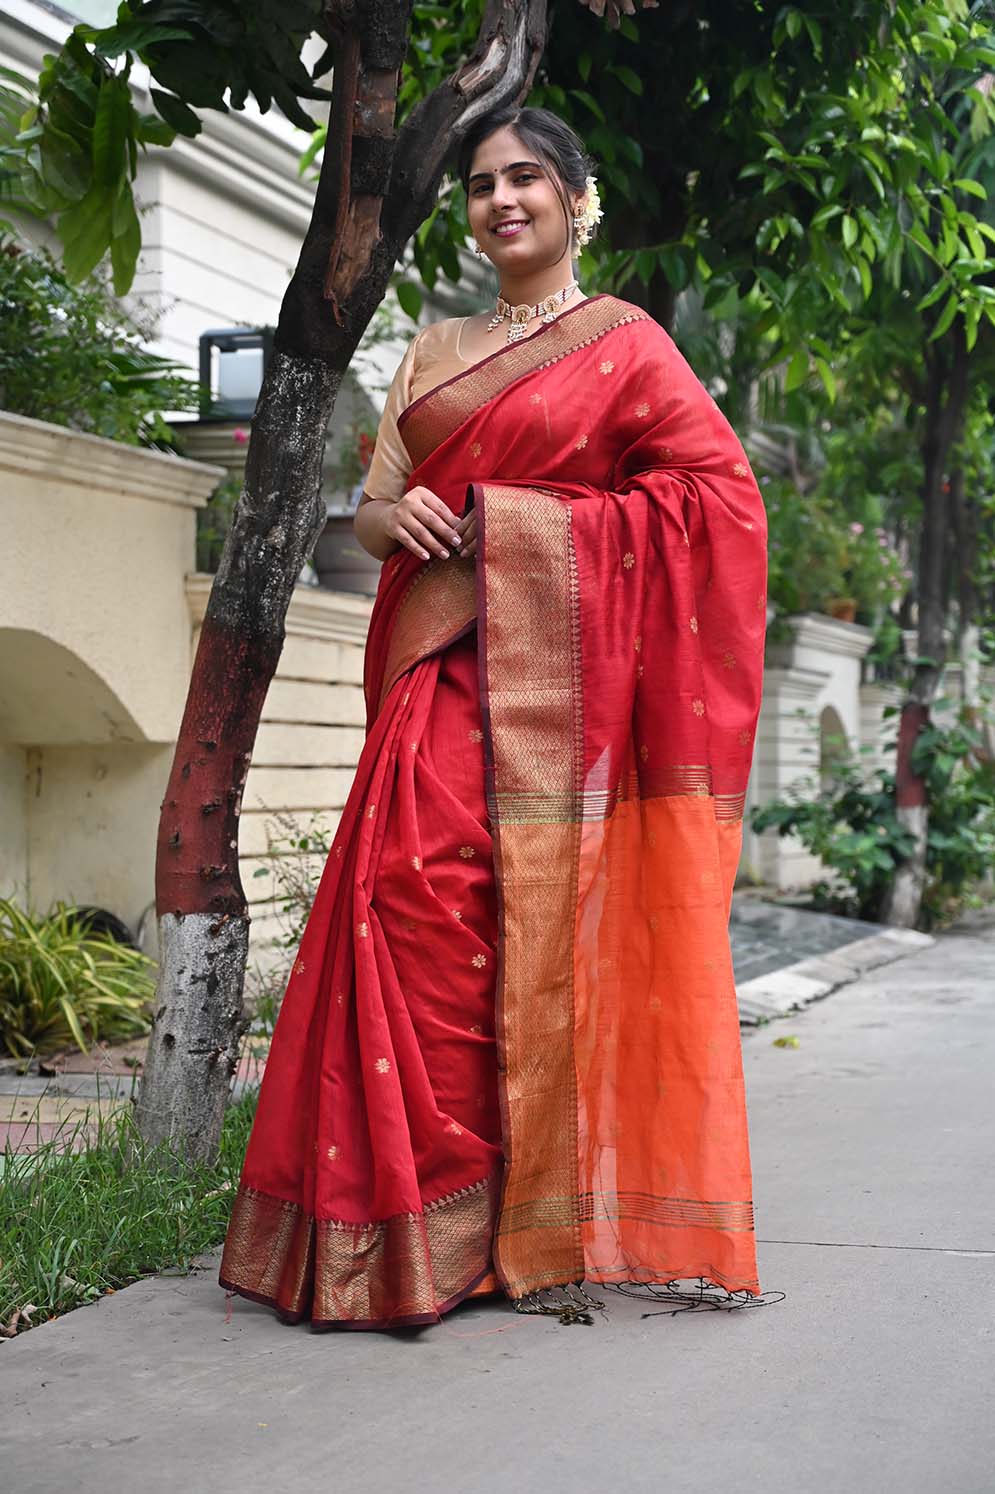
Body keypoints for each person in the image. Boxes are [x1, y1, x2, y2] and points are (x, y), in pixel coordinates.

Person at [220, 106, 768, 1331]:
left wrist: (524, 525)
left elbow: (715, 501)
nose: (500, 199)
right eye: (480, 184)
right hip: (433, 686)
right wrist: (395, 521)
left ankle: (505, 1220)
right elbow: (370, 511)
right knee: (406, 916)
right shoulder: (432, 347)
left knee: (503, 933)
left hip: (547, 705)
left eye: (526, 178)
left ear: (579, 202)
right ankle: (408, 1223)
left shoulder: (626, 344)